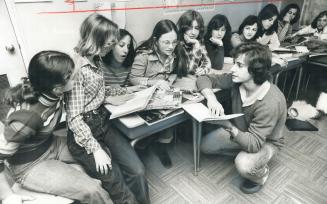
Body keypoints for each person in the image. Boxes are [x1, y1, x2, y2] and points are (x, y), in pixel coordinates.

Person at [0, 51, 113, 204]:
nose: (77, 77)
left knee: (103, 156)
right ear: (57, 89)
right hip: (29, 164)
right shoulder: (27, 118)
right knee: (92, 190)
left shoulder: (50, 90)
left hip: (50, 144)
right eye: (72, 76)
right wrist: (7, 196)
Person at [65, 13, 138, 204]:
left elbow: (97, 89)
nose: (111, 47)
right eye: (108, 44)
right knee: (116, 183)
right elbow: (74, 118)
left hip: (102, 122)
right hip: (85, 134)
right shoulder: (77, 68)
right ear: (95, 40)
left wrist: (122, 92)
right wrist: (95, 149)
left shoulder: (95, 59)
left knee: (137, 170)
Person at [197, 42, 287, 194]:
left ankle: (261, 172)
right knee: (205, 147)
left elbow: (254, 144)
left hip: (265, 142)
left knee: (244, 164)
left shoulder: (270, 101)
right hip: (242, 132)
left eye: (239, 65)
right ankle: (243, 152)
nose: (232, 69)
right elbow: (203, 78)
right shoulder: (237, 80)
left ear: (255, 70)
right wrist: (211, 98)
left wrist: (228, 125)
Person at [100, 29, 150, 204]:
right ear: (109, 46)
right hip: (100, 122)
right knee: (116, 176)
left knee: (137, 171)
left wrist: (136, 89)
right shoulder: (97, 65)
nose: (125, 50)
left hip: (116, 121)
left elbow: (130, 84)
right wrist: (126, 91)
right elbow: (102, 92)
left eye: (128, 46)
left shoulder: (127, 65)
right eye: (121, 45)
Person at [130, 19, 188, 168]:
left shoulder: (175, 51)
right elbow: (133, 79)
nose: (171, 46)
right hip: (144, 96)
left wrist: (170, 79)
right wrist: (153, 83)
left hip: (163, 94)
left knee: (174, 109)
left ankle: (161, 144)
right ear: (156, 41)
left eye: (174, 42)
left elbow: (175, 72)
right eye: (166, 42)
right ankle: (147, 141)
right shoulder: (144, 55)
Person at [177, 10, 211, 75]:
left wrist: (203, 69)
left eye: (196, 28)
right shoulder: (179, 43)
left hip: (193, 79)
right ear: (183, 28)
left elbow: (207, 61)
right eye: (189, 28)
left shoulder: (199, 40)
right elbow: (190, 71)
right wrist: (196, 46)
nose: (193, 32)